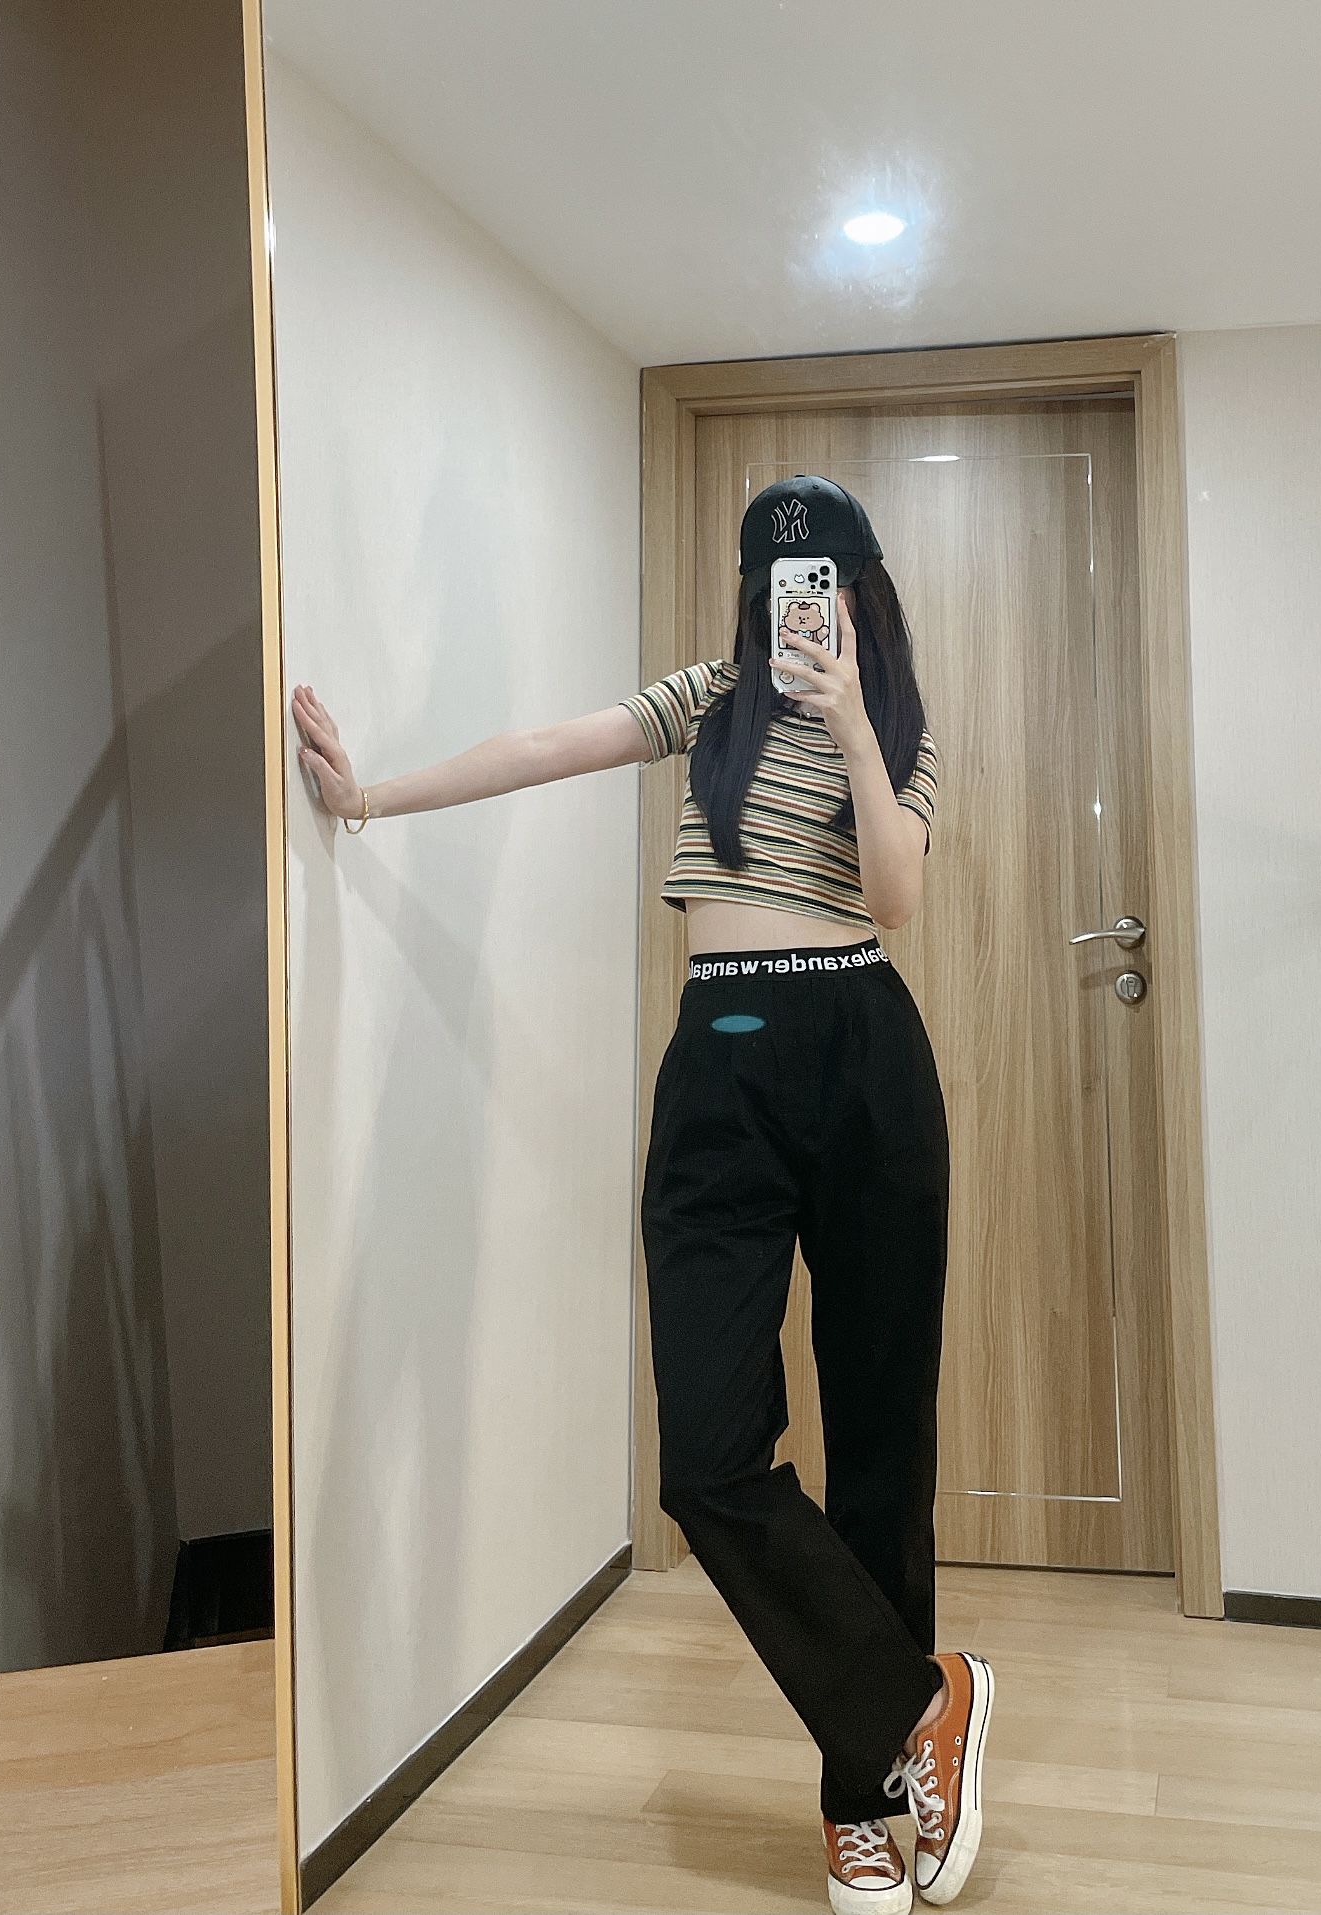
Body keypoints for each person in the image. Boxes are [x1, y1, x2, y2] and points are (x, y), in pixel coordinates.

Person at [292, 475, 994, 1915]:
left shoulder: (902, 727)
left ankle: (865, 1802)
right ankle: (924, 1706)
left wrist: (855, 729)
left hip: (865, 1053)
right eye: (778, 584)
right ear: (754, 596)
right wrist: (366, 799)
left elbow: (897, 898)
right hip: (720, 1060)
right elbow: (547, 745)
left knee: (881, 1443)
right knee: (709, 1458)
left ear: (861, 592)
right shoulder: (711, 703)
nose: (800, 608)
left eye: (822, 580)